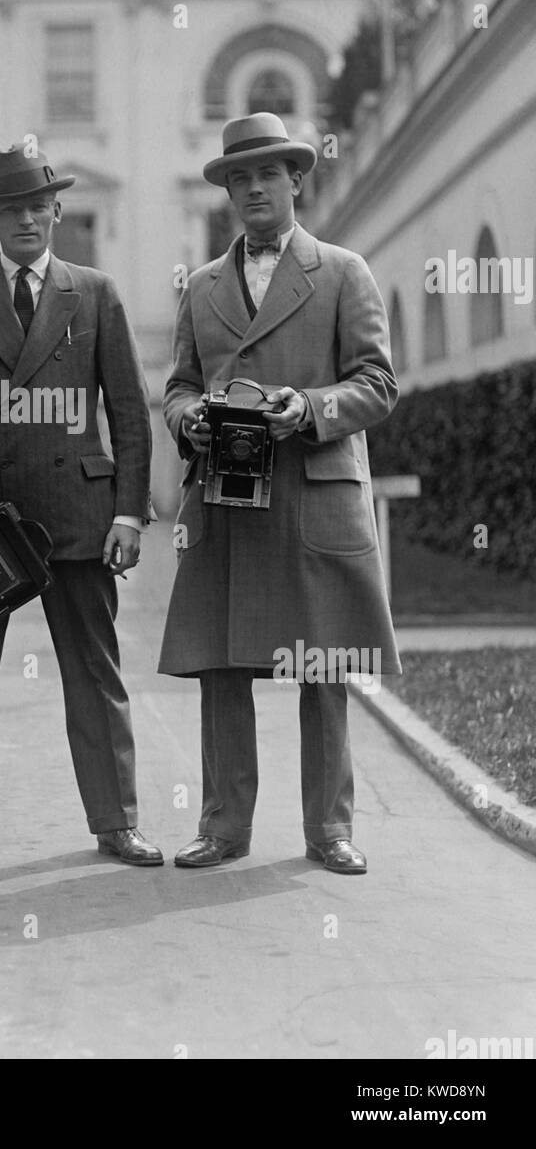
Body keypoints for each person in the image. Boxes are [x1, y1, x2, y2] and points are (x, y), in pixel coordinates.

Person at [0, 143, 163, 874]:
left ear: (56, 210)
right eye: (8, 209)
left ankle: (117, 822)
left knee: (95, 670)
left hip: (77, 515)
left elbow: (130, 413)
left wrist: (129, 513)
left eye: (35, 205)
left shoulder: (97, 293)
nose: (25, 219)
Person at [159, 113, 401, 875]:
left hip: (312, 496)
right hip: (228, 503)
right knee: (222, 665)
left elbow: (379, 384)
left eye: (269, 173)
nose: (254, 187)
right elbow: (178, 386)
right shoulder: (199, 288)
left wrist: (311, 407)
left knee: (324, 664)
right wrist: (188, 418)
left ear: (297, 180)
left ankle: (329, 830)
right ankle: (224, 826)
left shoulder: (343, 271)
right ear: (227, 190)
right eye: (240, 176)